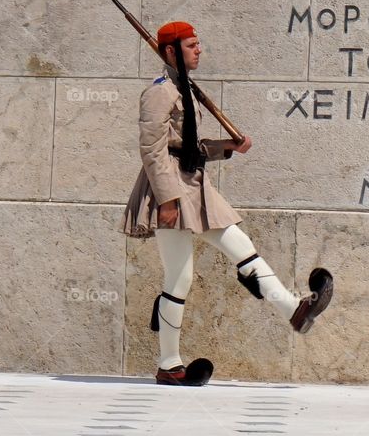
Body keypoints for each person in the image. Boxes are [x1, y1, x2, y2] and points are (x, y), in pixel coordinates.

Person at [119, 21, 331, 386]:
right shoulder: (158, 93)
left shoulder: (183, 88)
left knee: (241, 247)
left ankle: (294, 310)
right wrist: (167, 200)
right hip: (170, 188)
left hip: (194, 185)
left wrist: (226, 148)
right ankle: (169, 365)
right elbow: (153, 150)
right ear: (171, 51)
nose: (199, 50)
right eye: (192, 45)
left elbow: (188, 146)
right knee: (179, 278)